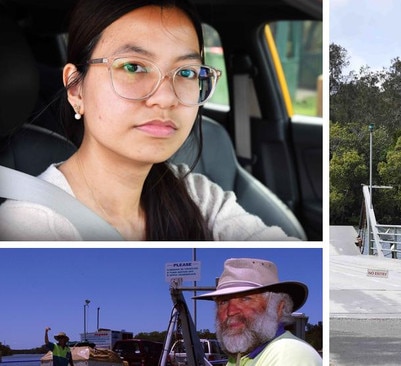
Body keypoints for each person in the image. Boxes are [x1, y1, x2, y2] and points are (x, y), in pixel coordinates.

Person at [0, 0, 291, 241]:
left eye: (187, 72)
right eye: (133, 67)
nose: (166, 98)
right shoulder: (28, 227)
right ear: (76, 88)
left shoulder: (197, 195)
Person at [195, 258, 322, 366]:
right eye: (223, 302)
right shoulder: (240, 357)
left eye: (245, 299)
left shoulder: (289, 354)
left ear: (278, 308)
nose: (230, 311)